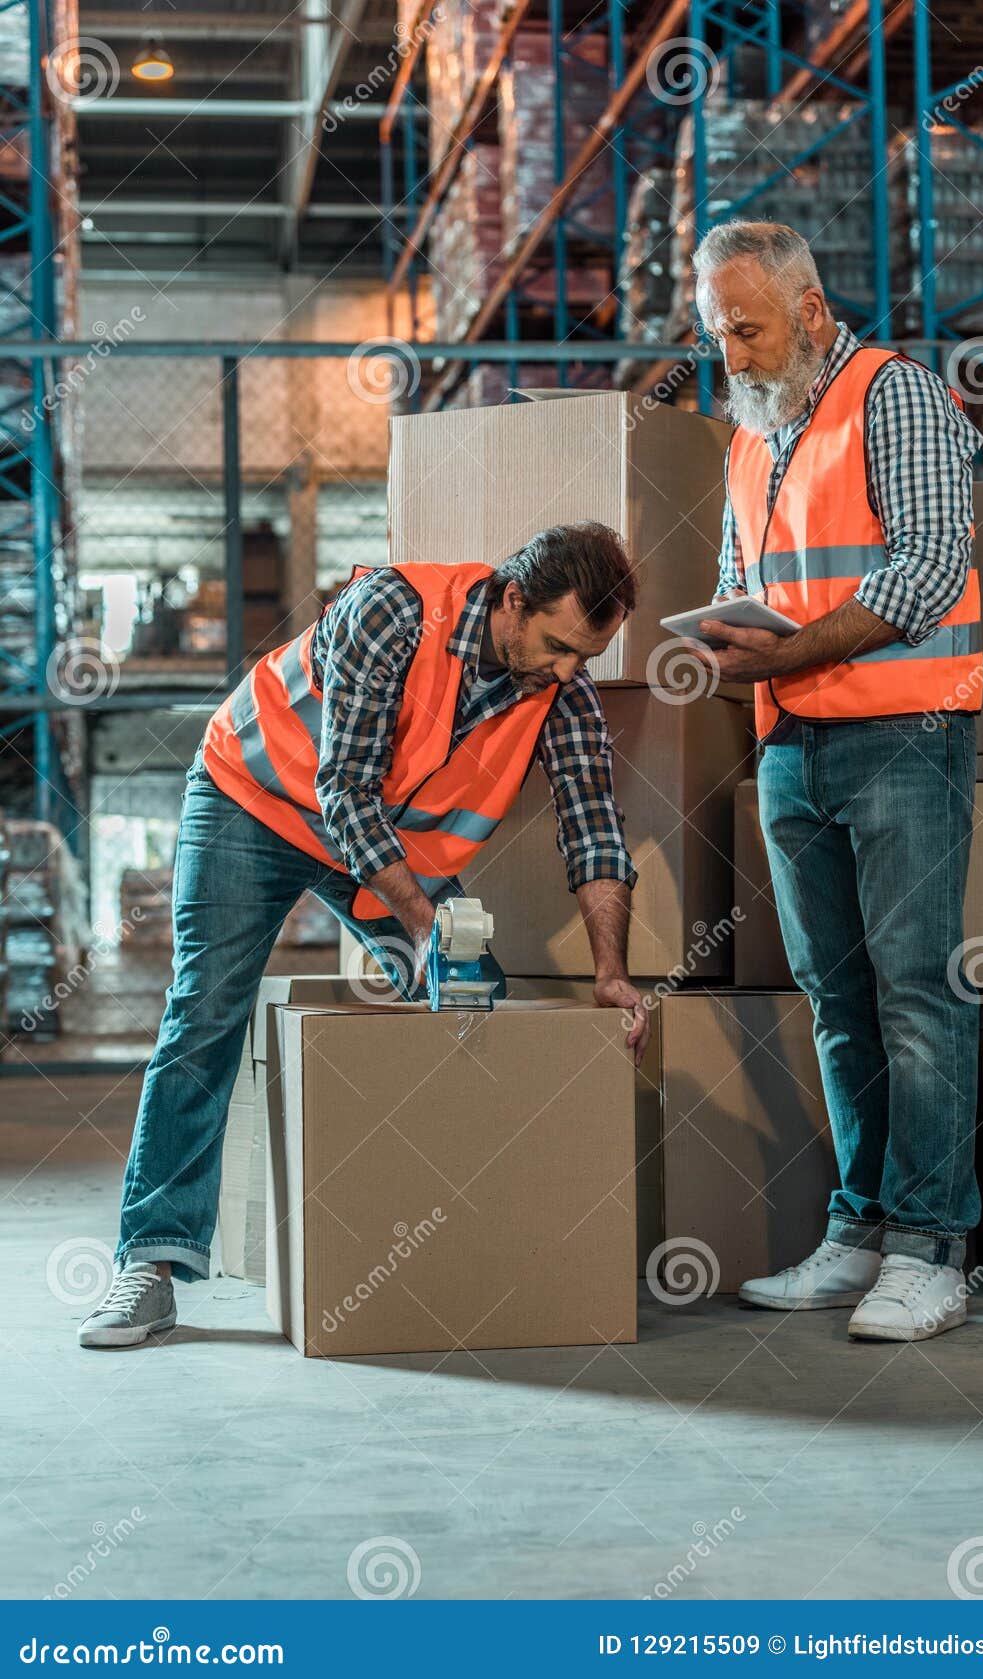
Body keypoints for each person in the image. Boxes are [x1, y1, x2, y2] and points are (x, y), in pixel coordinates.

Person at [79, 522, 650, 1349]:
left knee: (470, 1003)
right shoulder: (396, 611)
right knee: (206, 1010)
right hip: (258, 800)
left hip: (383, 843)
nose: (568, 671)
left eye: (584, 658)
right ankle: (151, 1265)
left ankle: (450, 1249)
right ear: (513, 600)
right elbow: (342, 791)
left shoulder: (562, 691)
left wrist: (611, 972)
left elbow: (593, 826)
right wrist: (425, 925)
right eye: (559, 646)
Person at [692, 221, 983, 1342]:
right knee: (840, 1003)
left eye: (749, 331)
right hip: (790, 747)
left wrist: (793, 651)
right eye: (721, 336)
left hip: (903, 735)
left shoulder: (893, 394)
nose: (734, 357)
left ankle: (930, 1252)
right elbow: (736, 574)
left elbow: (928, 563)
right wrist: (724, 638)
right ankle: (859, 1234)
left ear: (811, 310)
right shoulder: (749, 435)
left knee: (916, 995)